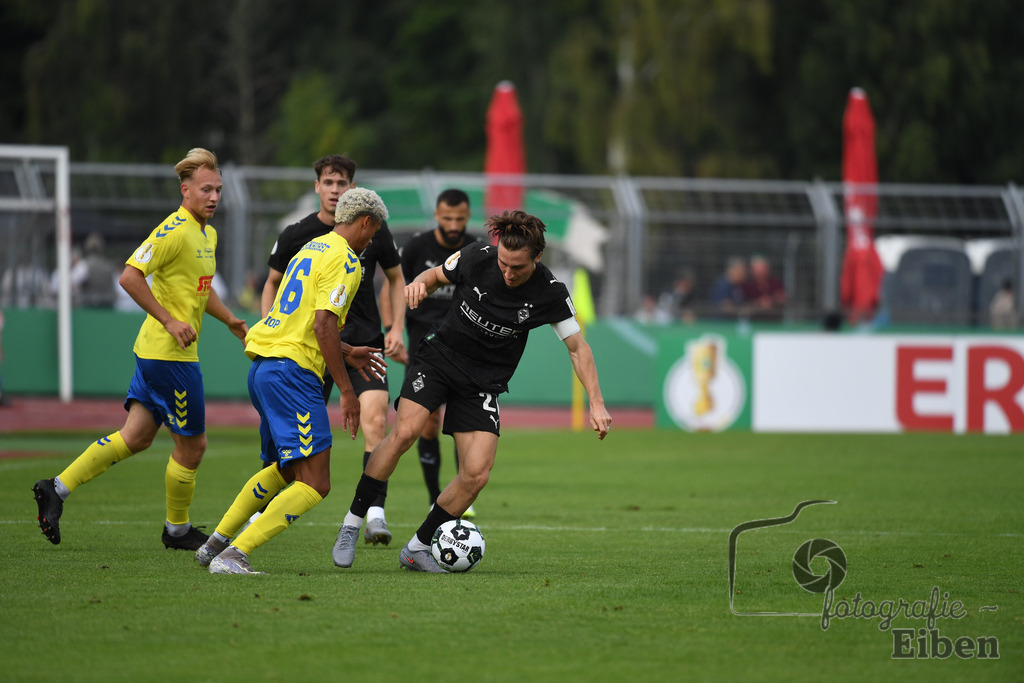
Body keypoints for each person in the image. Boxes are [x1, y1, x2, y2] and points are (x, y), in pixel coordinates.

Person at [332, 209, 612, 572]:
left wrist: (597, 403)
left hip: (482, 381)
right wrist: (419, 284)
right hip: (439, 359)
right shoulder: (476, 256)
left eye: (518, 268)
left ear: (537, 258)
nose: (508, 273)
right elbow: (433, 277)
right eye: (504, 264)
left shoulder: (550, 291)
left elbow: (578, 348)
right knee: (405, 433)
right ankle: (352, 523)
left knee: (477, 473)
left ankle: (416, 547)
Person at [31, 148, 249, 549]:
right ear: (186, 191)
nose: (214, 196)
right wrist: (169, 320)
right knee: (194, 445)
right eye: (206, 189)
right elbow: (130, 277)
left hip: (159, 354)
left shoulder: (208, 233)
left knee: (135, 437)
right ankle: (177, 531)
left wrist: (230, 319)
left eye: (218, 189)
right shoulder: (173, 230)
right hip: (168, 356)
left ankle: (55, 488)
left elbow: (200, 291)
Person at [195, 188, 389, 574]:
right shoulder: (347, 261)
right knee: (317, 482)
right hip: (292, 374)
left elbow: (302, 319)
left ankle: (214, 543)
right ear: (366, 222)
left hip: (265, 367)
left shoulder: (313, 248)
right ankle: (234, 554)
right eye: (375, 231)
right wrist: (347, 392)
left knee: (287, 469)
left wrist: (349, 351)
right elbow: (322, 324)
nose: (373, 240)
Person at [253, 154, 405, 546]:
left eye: (343, 183)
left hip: (362, 343)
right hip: (309, 348)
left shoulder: (374, 228)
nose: (336, 189)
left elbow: (395, 277)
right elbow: (272, 283)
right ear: (317, 187)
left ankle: (372, 512)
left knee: (375, 422)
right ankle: (256, 512)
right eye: (329, 182)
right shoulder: (297, 235)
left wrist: (396, 328)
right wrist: (273, 326)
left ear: (352, 189)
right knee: (286, 441)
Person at [398, 188, 479, 513]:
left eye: (459, 218)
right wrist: (394, 332)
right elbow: (393, 287)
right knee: (427, 423)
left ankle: (461, 493)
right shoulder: (417, 246)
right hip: (422, 345)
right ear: (437, 215)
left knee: (464, 420)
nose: (453, 224)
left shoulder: (475, 248)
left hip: (465, 344)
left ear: (467, 216)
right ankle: (434, 497)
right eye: (447, 218)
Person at [78, 232, 119, 308]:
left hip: (89, 305)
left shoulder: (84, 264)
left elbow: (76, 283)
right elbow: (116, 287)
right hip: (108, 305)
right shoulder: (109, 265)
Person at [742, 254, 785, 320]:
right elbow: (741, 304)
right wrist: (758, 303)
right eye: (758, 271)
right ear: (752, 270)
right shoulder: (747, 284)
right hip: (753, 318)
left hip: (774, 318)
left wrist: (771, 300)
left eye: (763, 270)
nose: (761, 273)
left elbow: (783, 298)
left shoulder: (775, 283)